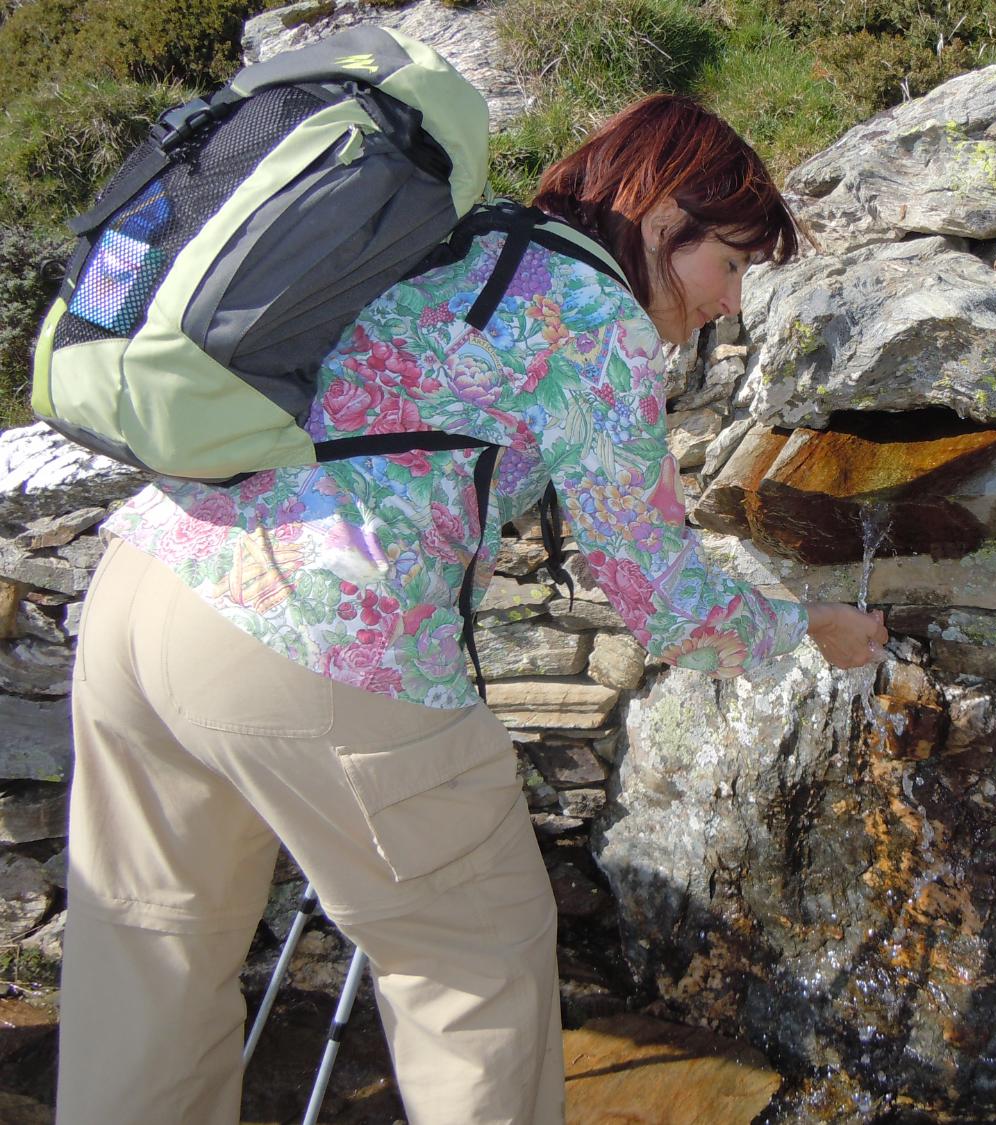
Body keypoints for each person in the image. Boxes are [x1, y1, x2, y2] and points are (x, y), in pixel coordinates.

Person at [55, 93, 887, 1125]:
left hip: (148, 585)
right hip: (320, 638)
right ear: (668, 217)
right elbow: (662, 596)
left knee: (148, 945)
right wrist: (809, 628)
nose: (732, 299)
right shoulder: (596, 315)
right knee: (472, 970)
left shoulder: (458, 238)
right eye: (734, 262)